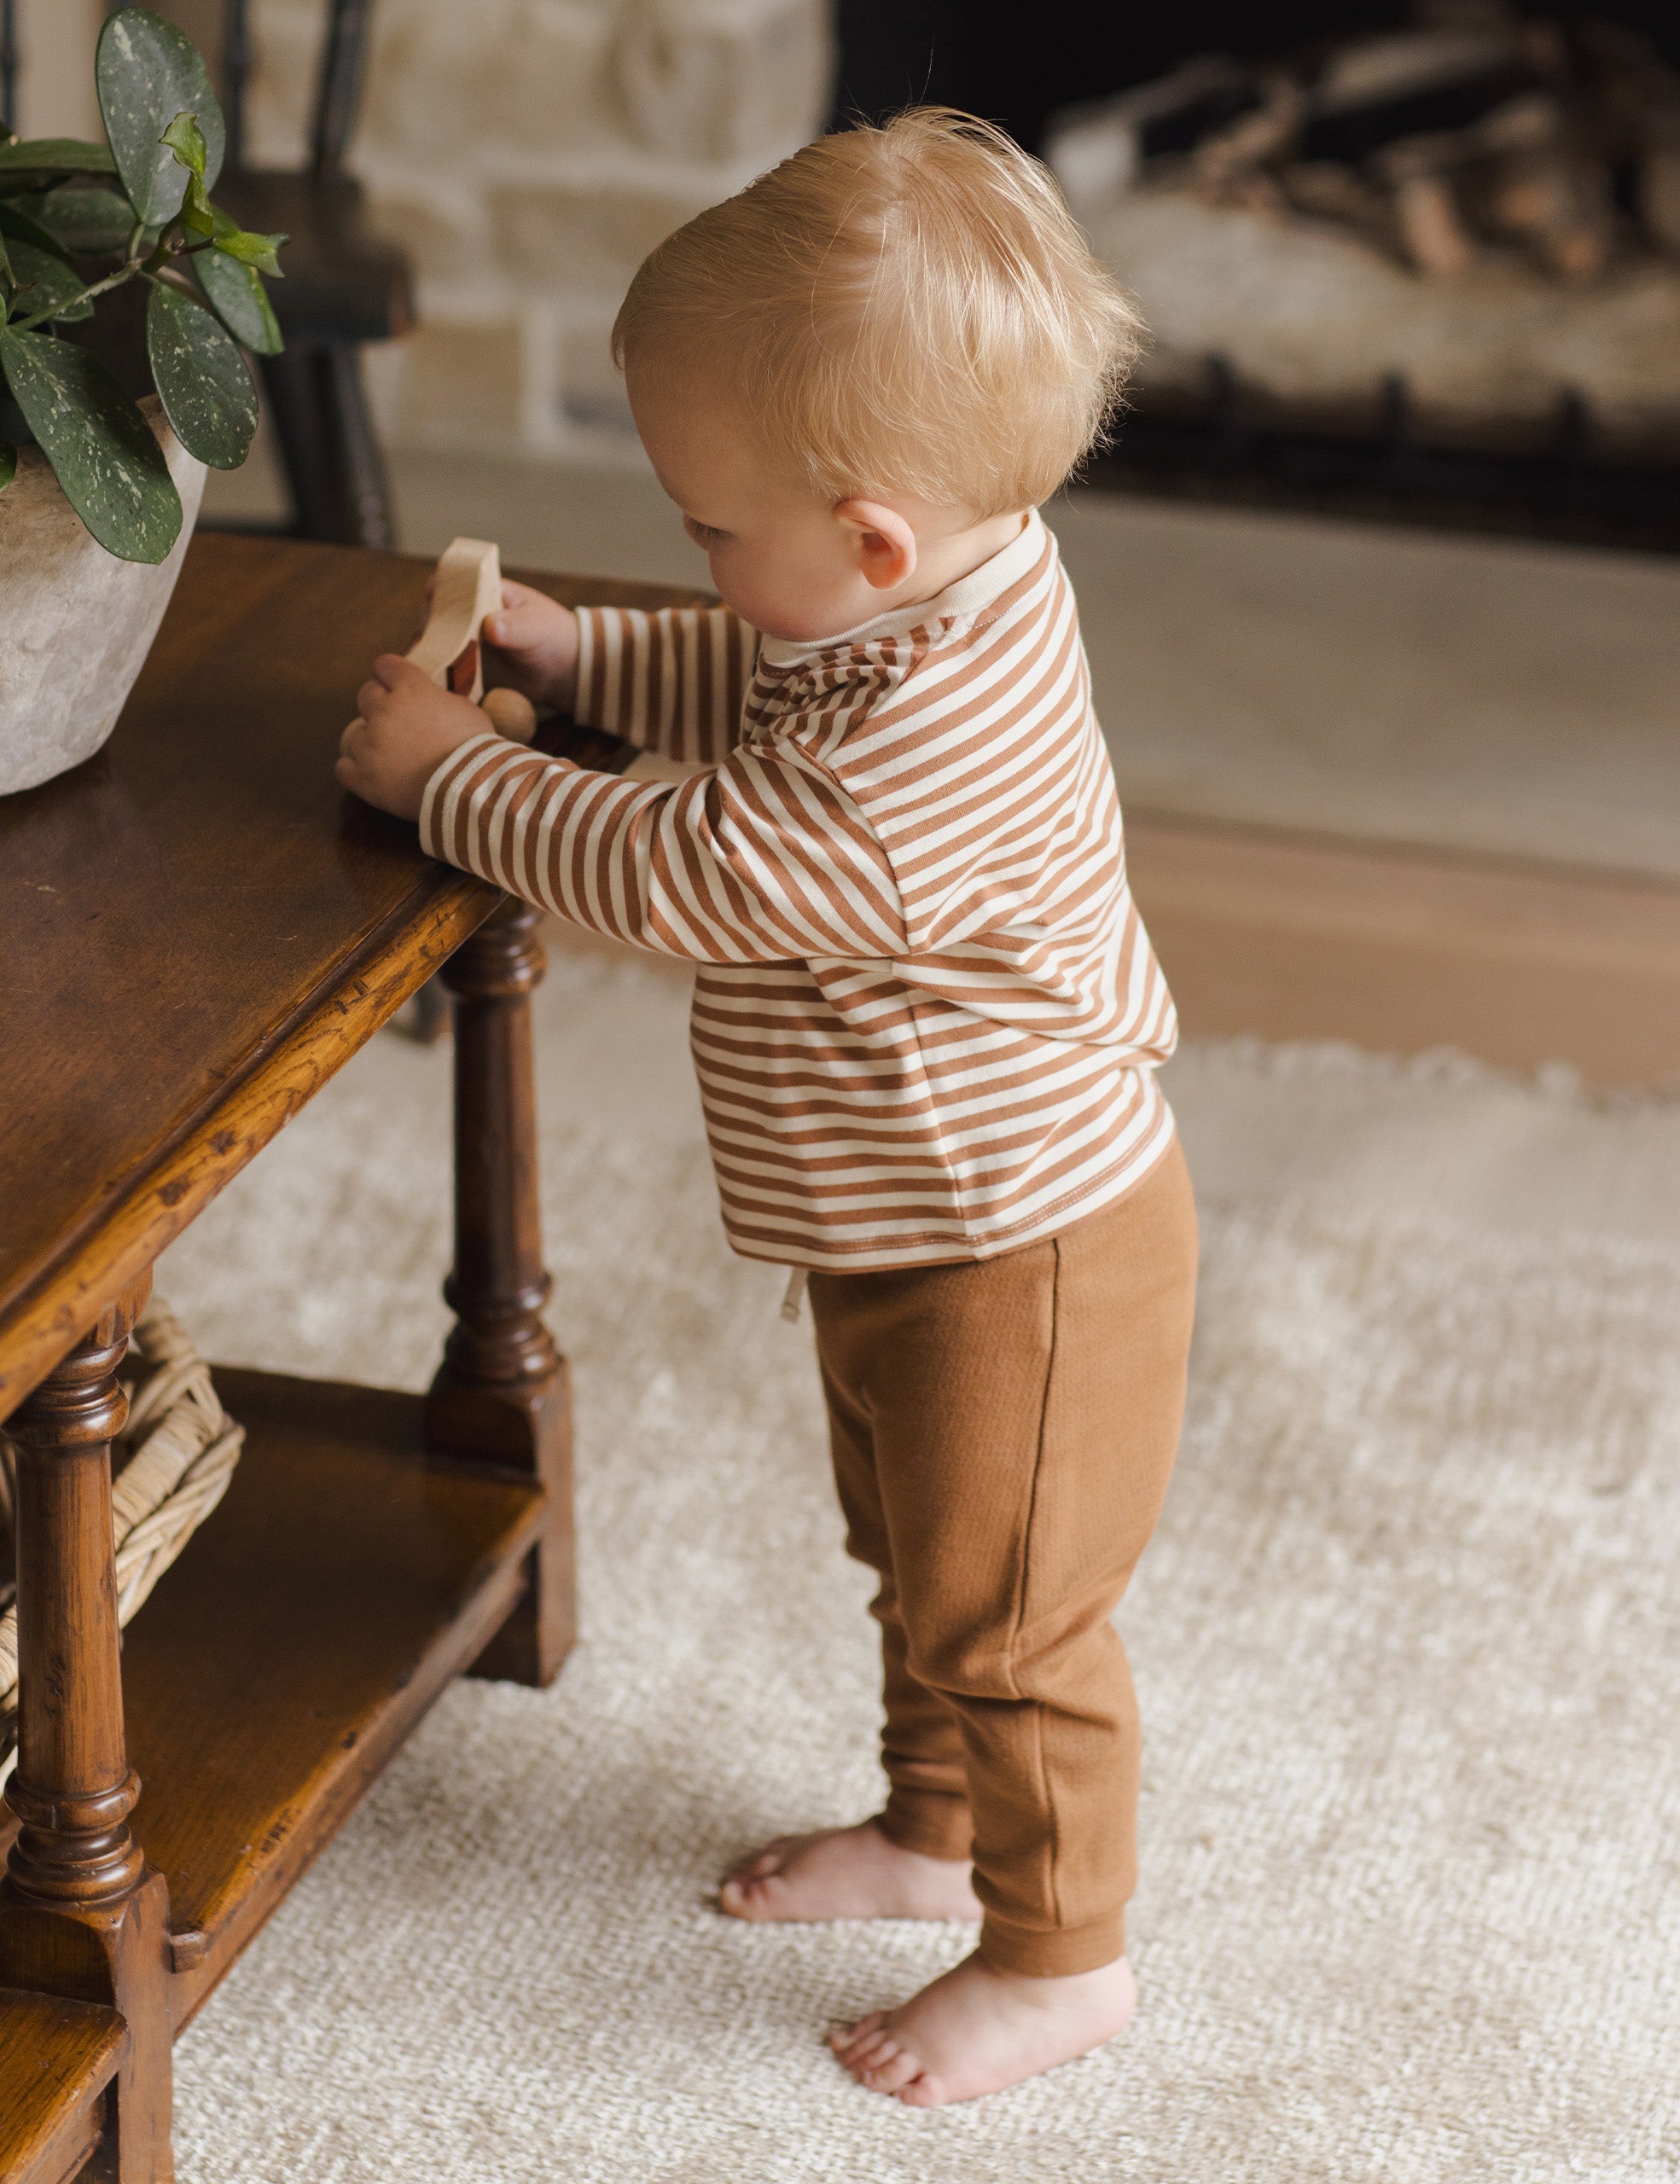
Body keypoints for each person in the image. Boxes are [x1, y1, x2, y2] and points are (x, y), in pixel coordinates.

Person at [336, 107, 1198, 2107]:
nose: (701, 557)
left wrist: (453, 773)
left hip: (1023, 1245)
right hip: (904, 1219)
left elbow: (689, 867)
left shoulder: (924, 747)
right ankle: (931, 1826)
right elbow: (761, 673)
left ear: (872, 535)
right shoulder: (918, 597)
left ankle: (1064, 1953)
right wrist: (594, 652)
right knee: (920, 1561)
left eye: (709, 524)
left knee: (1015, 1616)